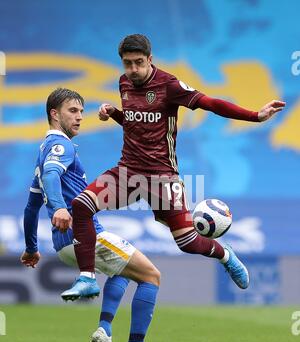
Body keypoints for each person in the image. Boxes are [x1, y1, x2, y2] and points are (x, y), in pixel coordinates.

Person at [71, 34, 286, 292]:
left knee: (188, 243)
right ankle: (87, 278)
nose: (133, 69)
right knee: (81, 205)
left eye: (139, 62)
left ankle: (225, 255)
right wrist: (115, 113)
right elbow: (135, 125)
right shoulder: (124, 83)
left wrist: (255, 116)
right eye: (128, 64)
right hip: (127, 172)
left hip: (163, 177)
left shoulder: (168, 85)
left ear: (150, 59)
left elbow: (210, 103)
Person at [20, 87, 168, 342]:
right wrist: (59, 208)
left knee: (124, 272)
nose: (79, 118)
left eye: (81, 112)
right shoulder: (60, 146)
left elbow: (30, 208)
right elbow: (52, 178)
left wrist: (31, 248)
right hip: (85, 236)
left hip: (63, 245)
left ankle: (105, 329)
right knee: (151, 276)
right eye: (72, 111)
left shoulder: (43, 152)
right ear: (54, 114)